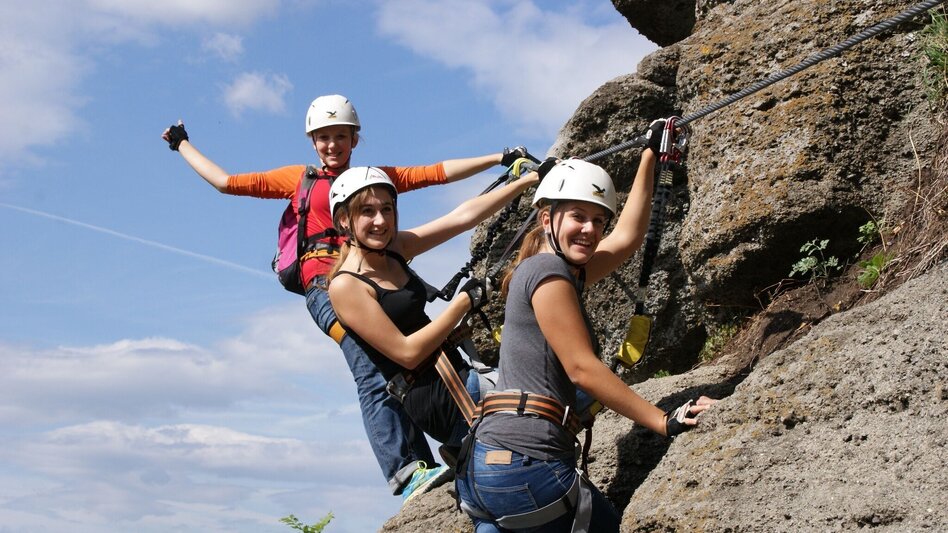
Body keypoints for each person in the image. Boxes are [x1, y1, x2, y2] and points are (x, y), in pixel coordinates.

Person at [161, 94, 529, 502]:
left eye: (340, 136)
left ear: (355, 139)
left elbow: (435, 174)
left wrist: (500, 158)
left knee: (399, 364)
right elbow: (226, 182)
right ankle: (406, 470)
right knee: (371, 368)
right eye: (323, 137)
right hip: (327, 287)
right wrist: (182, 144)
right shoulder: (299, 179)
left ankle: (444, 449)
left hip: (370, 273)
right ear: (312, 142)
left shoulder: (370, 184)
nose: (332, 144)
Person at [454, 123, 717, 532]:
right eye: (578, 216)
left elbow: (626, 238)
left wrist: (650, 156)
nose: (590, 230)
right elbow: (581, 368)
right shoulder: (547, 272)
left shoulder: (551, 271)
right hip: (527, 463)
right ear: (547, 218)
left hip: (487, 469)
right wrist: (663, 420)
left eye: (598, 220)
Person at [326, 165, 539, 460]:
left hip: (458, 376)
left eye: (387, 209)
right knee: (561, 397)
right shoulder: (346, 286)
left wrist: (530, 180)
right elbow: (407, 353)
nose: (381, 221)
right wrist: (462, 303)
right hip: (441, 398)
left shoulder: (394, 248)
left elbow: (462, 218)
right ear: (343, 220)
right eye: (367, 211)